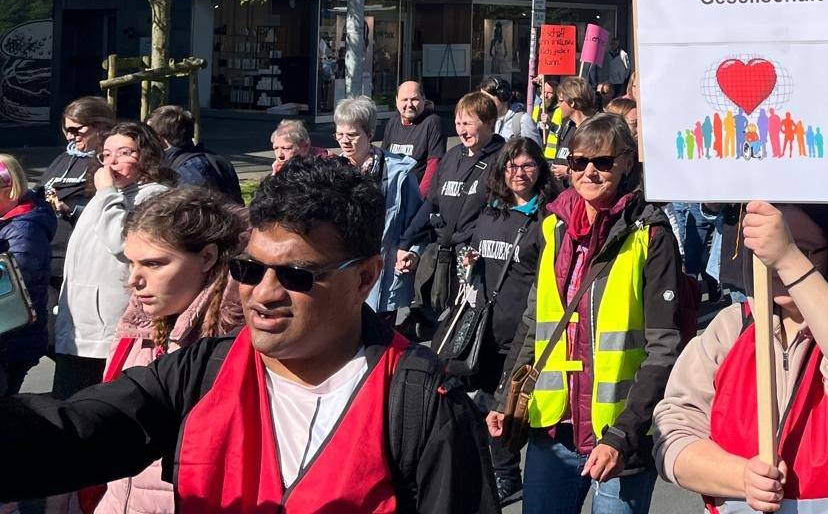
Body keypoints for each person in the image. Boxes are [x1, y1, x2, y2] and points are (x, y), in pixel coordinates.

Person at [0, 156, 498, 512]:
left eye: (297, 275)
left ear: (366, 277)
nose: (262, 294)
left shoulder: (420, 400)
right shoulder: (202, 371)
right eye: (248, 268)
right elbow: (78, 430)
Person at [654, 202, 828, 514]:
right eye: (766, 246)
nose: (775, 264)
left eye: (804, 250)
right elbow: (673, 434)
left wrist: (790, 259)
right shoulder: (731, 329)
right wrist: (741, 478)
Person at [488, 114, 689, 514]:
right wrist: (503, 399)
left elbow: (664, 348)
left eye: (603, 162)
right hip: (554, 431)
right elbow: (534, 324)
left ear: (628, 162)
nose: (589, 172)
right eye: (579, 162)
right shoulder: (553, 228)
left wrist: (622, 435)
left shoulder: (651, 234)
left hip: (617, 438)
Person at [92, 186, 247, 514]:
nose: (134, 279)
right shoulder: (136, 325)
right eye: (131, 263)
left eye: (154, 263)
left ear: (207, 257)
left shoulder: (237, 346)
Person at [460, 137, 556, 505]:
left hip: (519, 330)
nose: (519, 173)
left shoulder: (546, 218)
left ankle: (508, 475)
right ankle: (493, 470)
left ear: (540, 170)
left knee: (505, 402)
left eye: (528, 165)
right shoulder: (490, 210)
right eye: (512, 166)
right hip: (483, 325)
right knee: (484, 402)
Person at [55, 122, 175, 399]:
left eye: (124, 153)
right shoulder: (106, 195)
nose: (112, 163)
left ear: (145, 156)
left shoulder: (153, 195)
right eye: (106, 155)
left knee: (95, 407)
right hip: (78, 323)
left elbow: (120, 243)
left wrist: (108, 194)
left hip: (107, 329)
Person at [400, 91, 506, 337]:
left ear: (489, 123)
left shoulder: (502, 160)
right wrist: (405, 241)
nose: (462, 130)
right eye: (458, 123)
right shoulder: (451, 157)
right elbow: (431, 203)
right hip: (444, 251)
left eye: (468, 123)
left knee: (466, 323)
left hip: (476, 256)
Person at [335, 96, 424, 320]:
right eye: (339, 134)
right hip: (342, 273)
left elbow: (417, 220)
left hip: (381, 275)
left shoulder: (398, 172)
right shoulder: (331, 171)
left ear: (370, 135)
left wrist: (412, 251)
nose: (344, 141)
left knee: (379, 342)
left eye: (352, 135)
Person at [37, 96, 113, 285]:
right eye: (66, 130)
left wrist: (73, 209)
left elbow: (112, 205)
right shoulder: (64, 157)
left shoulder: (108, 161)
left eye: (76, 129)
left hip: (78, 257)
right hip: (46, 252)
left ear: (101, 126)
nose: (70, 136)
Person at [0, 154, 57, 395]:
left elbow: (16, 277)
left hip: (12, 338)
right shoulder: (10, 221)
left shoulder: (26, 227)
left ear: (8, 188)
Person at [146, 105, 242, 202]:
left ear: (160, 137)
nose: (145, 139)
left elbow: (194, 212)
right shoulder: (213, 159)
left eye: (148, 134)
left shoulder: (188, 171)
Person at [384, 81, 448, 194]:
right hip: (392, 193)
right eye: (404, 100)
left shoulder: (432, 122)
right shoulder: (393, 122)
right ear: (396, 100)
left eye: (414, 99)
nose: (409, 104)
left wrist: (419, 198)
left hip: (416, 195)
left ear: (423, 99)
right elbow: (384, 158)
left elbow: (434, 164)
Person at [550, 77, 600, 180]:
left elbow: (600, 168)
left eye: (560, 101)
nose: (558, 106)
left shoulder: (596, 130)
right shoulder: (568, 126)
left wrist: (568, 172)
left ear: (572, 102)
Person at [482, 76, 538, 141]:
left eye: (488, 99)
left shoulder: (523, 120)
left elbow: (535, 150)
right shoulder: (488, 121)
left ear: (503, 97)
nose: (483, 104)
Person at [598, 37, 632, 102]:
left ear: (618, 44)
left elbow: (628, 67)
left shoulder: (623, 54)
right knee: (610, 96)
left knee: (618, 96)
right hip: (610, 80)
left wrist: (625, 77)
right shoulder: (607, 54)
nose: (613, 45)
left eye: (615, 44)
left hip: (619, 81)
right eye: (612, 44)